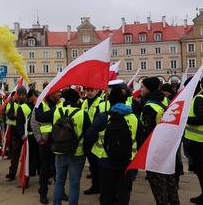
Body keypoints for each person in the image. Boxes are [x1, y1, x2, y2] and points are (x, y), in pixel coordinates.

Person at [86, 87, 144, 205]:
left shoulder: (103, 117)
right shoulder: (134, 118)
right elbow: (141, 139)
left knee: (106, 192)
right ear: (124, 101)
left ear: (110, 102)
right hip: (127, 160)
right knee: (123, 191)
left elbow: (89, 136)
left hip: (105, 160)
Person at [36, 88, 91, 205]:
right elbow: (90, 134)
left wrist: (38, 102)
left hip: (59, 151)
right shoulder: (82, 114)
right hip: (77, 153)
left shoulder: (56, 111)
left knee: (59, 181)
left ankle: (56, 203)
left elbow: (39, 117)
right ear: (77, 100)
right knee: (74, 184)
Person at [140, 77, 180, 205]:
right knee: (169, 178)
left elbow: (146, 130)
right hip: (167, 145)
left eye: (142, 87)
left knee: (157, 182)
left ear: (149, 89)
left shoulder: (149, 106)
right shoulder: (165, 99)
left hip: (154, 148)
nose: (140, 89)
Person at [32, 90, 63, 204]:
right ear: (50, 94)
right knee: (44, 168)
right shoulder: (41, 103)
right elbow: (37, 120)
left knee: (58, 168)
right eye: (56, 93)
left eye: (59, 93)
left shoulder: (60, 103)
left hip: (59, 140)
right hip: (45, 141)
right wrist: (39, 138)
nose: (59, 95)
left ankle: (61, 192)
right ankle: (43, 193)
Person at [184, 78, 203, 204]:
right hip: (197, 142)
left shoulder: (199, 99)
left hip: (198, 142)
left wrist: (185, 119)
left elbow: (201, 118)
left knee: (201, 171)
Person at [81, 87, 102, 195]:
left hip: (96, 137)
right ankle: (95, 186)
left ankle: (99, 186)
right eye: (87, 90)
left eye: (91, 90)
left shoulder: (101, 102)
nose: (89, 93)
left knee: (98, 164)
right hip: (86, 137)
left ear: (97, 91)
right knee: (93, 165)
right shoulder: (83, 102)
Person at [17, 89, 40, 188]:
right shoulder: (22, 107)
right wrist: (22, 134)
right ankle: (26, 180)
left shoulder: (39, 105)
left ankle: (43, 178)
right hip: (29, 137)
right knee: (28, 160)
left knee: (39, 159)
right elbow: (20, 124)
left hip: (38, 137)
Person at [6, 86, 27, 180]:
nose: (21, 96)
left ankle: (28, 173)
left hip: (25, 131)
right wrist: (14, 116)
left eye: (23, 95)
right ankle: (12, 173)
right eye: (20, 94)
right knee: (15, 153)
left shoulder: (28, 103)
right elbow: (9, 115)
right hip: (15, 131)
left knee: (28, 154)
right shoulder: (13, 103)